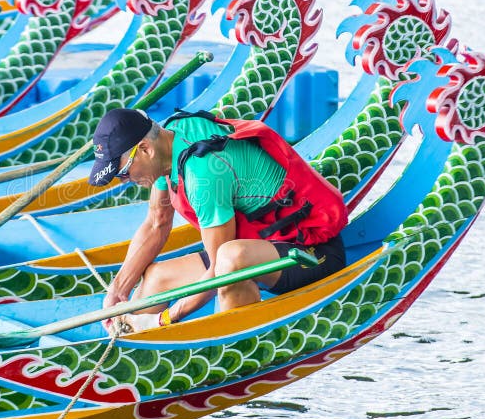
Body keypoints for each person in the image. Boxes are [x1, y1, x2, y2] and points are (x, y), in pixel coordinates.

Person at [88, 107, 347, 332]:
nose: (124, 181)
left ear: (145, 149)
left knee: (229, 259)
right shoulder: (167, 137)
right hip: (259, 244)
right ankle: (129, 351)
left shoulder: (203, 176)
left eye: (122, 172)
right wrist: (119, 290)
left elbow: (217, 274)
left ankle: (236, 348)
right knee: (157, 277)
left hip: (309, 254)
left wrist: (162, 320)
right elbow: (157, 221)